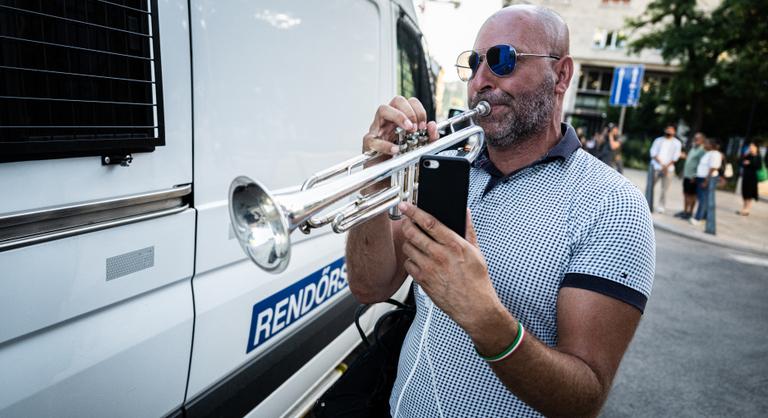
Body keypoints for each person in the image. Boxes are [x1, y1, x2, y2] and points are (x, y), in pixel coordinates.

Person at [346, 5, 655, 417]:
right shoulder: (449, 169)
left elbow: (584, 398)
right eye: (474, 63)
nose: (480, 81)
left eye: (503, 59)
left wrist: (483, 315)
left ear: (561, 75)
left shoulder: (613, 205)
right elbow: (370, 288)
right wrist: (374, 179)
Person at [649, 125, 682, 213]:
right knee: (650, 186)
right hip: (656, 167)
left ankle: (661, 206)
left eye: (671, 130)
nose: (669, 132)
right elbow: (653, 153)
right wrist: (662, 165)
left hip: (669, 169)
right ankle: (648, 203)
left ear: (674, 132)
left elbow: (675, 157)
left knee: (664, 189)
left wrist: (666, 167)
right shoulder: (658, 140)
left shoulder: (677, 143)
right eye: (668, 130)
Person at [689, 138, 722, 225]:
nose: (705, 145)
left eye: (706, 143)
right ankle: (704, 217)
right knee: (702, 198)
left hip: (706, 179)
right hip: (701, 178)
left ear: (711, 145)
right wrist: (696, 176)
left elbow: (713, 168)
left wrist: (706, 181)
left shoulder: (715, 154)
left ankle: (698, 218)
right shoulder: (708, 153)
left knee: (703, 199)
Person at [674, 132, 706, 219]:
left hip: (693, 177)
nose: (695, 140)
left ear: (702, 140)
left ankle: (690, 212)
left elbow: (701, 164)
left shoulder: (702, 150)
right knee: (685, 194)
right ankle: (685, 211)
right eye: (695, 138)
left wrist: (695, 175)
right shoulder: (693, 148)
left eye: (698, 138)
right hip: (687, 175)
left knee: (692, 195)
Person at [737, 142, 761, 216]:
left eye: (752, 146)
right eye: (750, 146)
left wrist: (749, 163)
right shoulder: (748, 155)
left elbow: (758, 166)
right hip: (746, 176)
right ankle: (744, 208)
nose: (750, 148)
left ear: (756, 147)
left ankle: (747, 210)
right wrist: (745, 155)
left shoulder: (758, 156)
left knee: (749, 194)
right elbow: (740, 162)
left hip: (753, 178)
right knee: (744, 192)